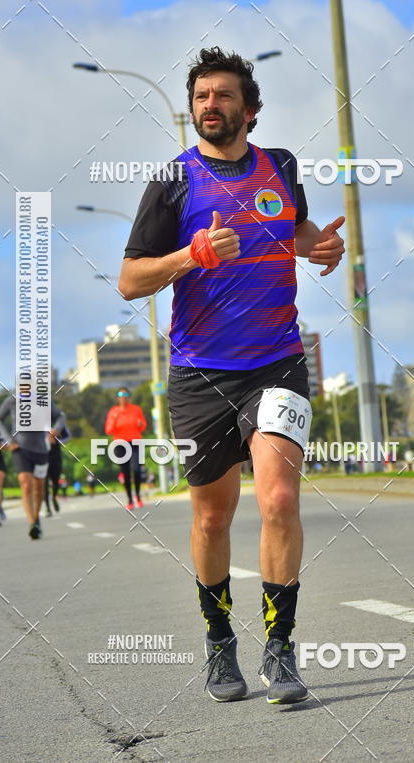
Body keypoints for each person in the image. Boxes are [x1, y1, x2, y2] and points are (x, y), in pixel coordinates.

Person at [119, 47, 345, 705]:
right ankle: (221, 642)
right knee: (212, 517)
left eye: (221, 96)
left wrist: (316, 245)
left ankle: (281, 649)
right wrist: (190, 255)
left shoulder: (281, 167)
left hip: (277, 362)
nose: (208, 106)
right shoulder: (172, 182)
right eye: (199, 97)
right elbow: (132, 280)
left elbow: (287, 228)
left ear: (250, 108)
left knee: (278, 498)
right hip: (199, 374)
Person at [0, 393, 66, 539]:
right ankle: (31, 523)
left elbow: (60, 416)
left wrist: (56, 429)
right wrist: (9, 440)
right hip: (20, 449)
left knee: (39, 488)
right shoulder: (11, 400)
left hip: (41, 450)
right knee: (26, 484)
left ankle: (36, 519)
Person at [104, 388, 147, 510]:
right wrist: (115, 419)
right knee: (126, 473)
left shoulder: (136, 409)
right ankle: (129, 499)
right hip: (120, 445)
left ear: (129, 397)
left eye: (126, 394)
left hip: (135, 443)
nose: (123, 397)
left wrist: (140, 424)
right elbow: (109, 430)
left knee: (137, 470)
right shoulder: (113, 412)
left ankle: (138, 496)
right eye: (120, 395)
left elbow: (143, 426)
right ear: (117, 398)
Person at [44, 423, 71, 516]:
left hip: (56, 456)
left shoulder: (58, 421)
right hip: (42, 456)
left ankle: (54, 497)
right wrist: (45, 440)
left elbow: (68, 436)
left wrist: (58, 440)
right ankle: (47, 508)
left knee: (56, 481)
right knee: (44, 483)